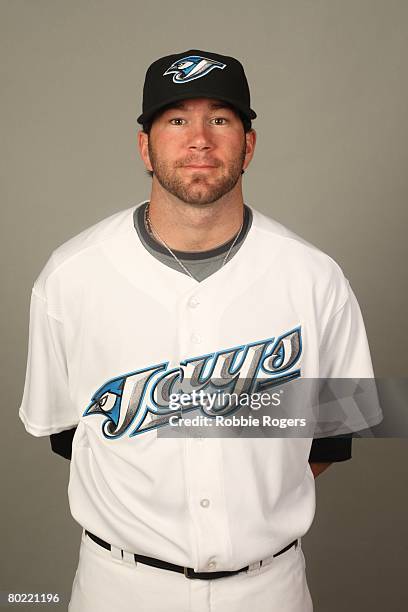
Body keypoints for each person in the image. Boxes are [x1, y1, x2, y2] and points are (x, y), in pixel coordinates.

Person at [19, 49, 375, 612]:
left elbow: (330, 441)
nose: (200, 139)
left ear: (249, 145)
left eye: (222, 118)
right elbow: (69, 434)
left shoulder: (317, 276)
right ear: (145, 147)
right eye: (177, 119)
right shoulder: (69, 276)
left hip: (270, 589)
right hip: (120, 588)